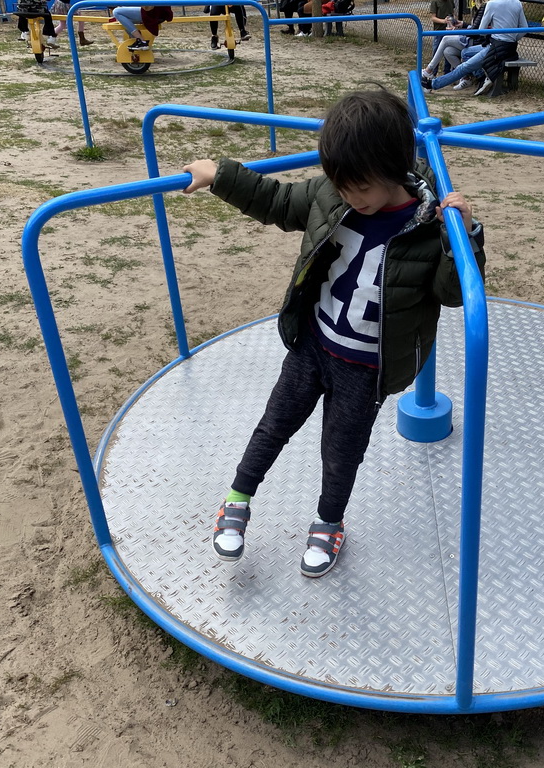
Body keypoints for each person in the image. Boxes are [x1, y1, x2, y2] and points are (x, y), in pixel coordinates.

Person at [182, 86, 486, 578]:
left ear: (392, 170)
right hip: (314, 346)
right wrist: (221, 175)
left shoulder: (430, 226)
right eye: (341, 185)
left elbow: (453, 294)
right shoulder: (333, 192)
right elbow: (278, 201)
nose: (349, 196)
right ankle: (237, 499)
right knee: (275, 423)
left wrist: (464, 236)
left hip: (366, 369)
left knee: (341, 451)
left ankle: (329, 522)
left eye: (360, 187)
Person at [420, 0, 527, 96]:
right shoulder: (517, 3)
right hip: (508, 47)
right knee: (466, 52)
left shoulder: (492, 4)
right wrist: (512, 39)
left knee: (465, 66)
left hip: (495, 47)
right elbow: (524, 28)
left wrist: (493, 34)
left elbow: (481, 30)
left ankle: (432, 84)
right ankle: (478, 76)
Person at [421, 0, 487, 81]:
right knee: (446, 51)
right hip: (440, 30)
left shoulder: (484, 8)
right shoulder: (435, 2)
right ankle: (464, 77)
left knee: (446, 40)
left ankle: (431, 70)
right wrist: (459, 24)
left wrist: (455, 27)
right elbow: (433, 17)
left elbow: (476, 30)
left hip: (474, 41)